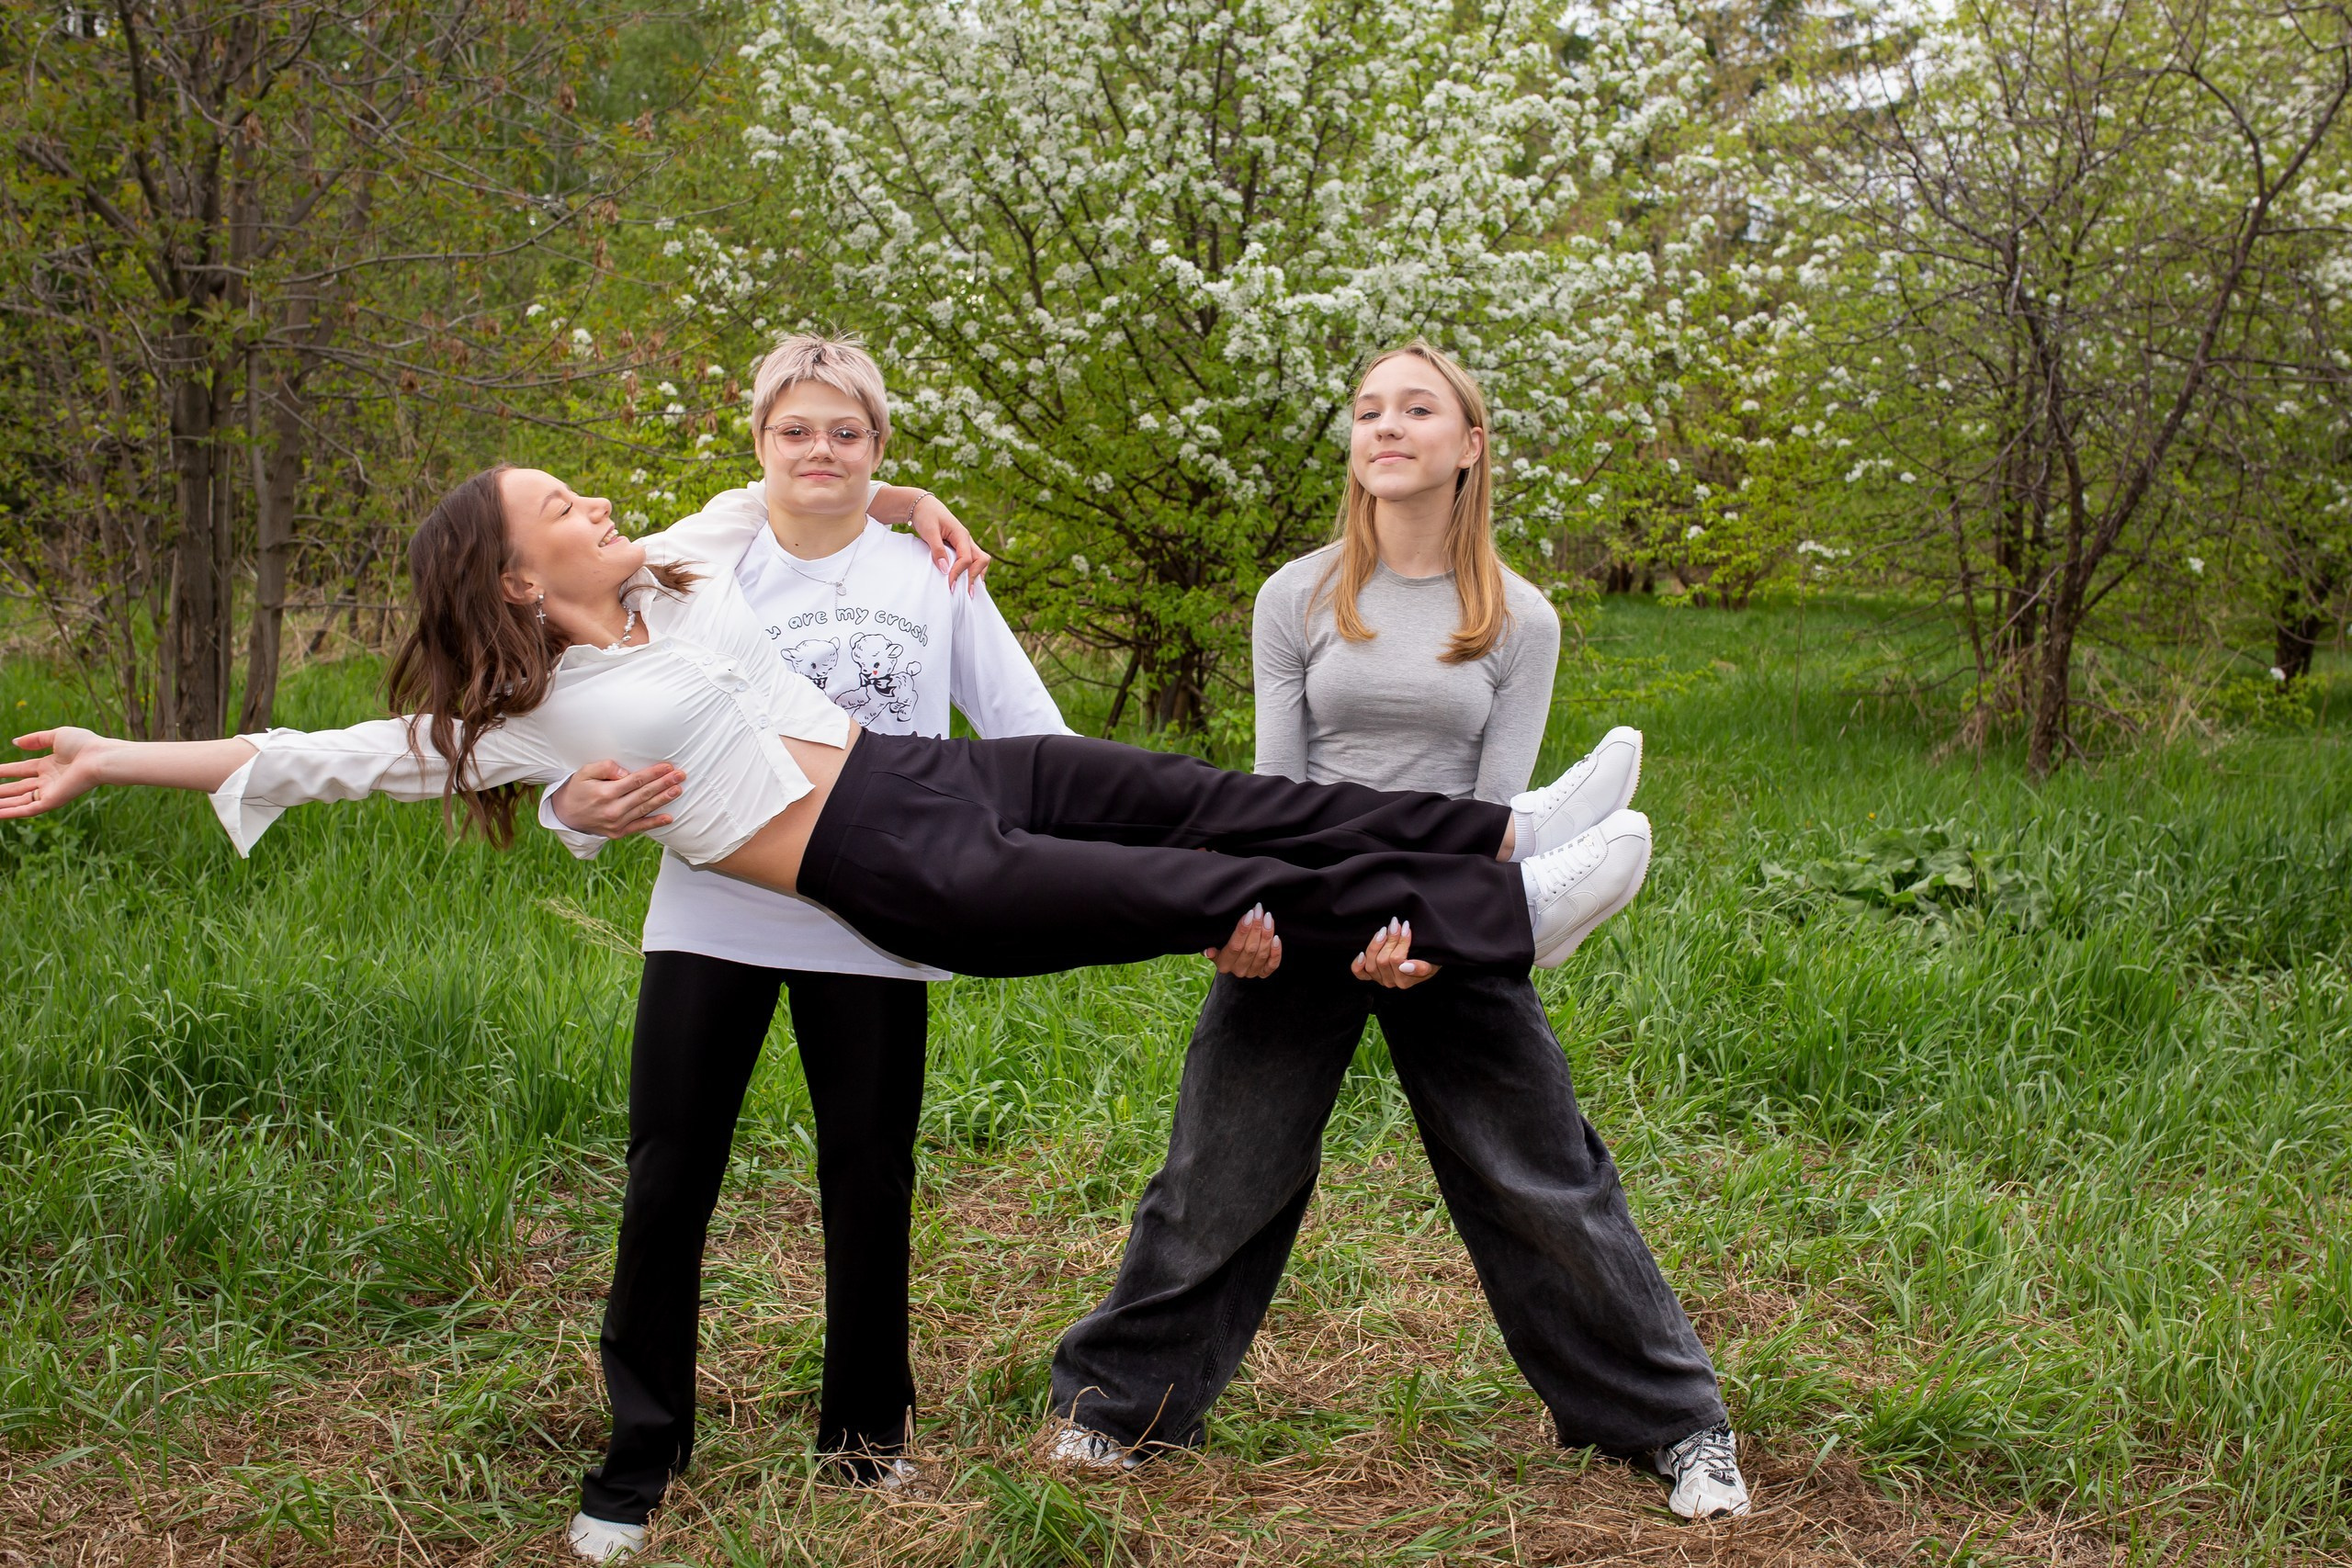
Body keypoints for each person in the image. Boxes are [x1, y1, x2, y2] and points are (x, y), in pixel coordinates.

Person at [2, 458, 1654, 972]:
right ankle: (1509, 916)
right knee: (1206, 897)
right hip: (884, 857)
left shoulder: (679, 567)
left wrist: (915, 491)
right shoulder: (518, 717)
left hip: (931, 765)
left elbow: (807, 463)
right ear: (512, 579)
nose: (589, 500)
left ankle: (1503, 828)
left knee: (1219, 802)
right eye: (555, 506)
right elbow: (306, 755)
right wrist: (105, 755)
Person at [1046, 341, 1751, 1521]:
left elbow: (1470, 812)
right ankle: (1116, 1407)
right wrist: (1251, 921)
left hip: (1443, 917)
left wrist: (1420, 924)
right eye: (1368, 410)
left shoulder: (1519, 618)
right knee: (1217, 1175)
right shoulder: (1299, 595)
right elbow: (1272, 797)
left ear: (1469, 445)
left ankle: (1680, 1428)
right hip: (1302, 915)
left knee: (1544, 1182)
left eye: (1415, 409)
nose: (1385, 428)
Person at [528, 336, 1078, 1557]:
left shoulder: (933, 569)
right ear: (759, 441)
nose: (820, 452)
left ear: (880, 445)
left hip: (877, 917)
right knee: (668, 1176)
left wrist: (1058, 859)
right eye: (797, 431)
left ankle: (866, 1434)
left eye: (848, 433)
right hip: (714, 907)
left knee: (868, 1179)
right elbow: (568, 712)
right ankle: (642, 1445)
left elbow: (1028, 730)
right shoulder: (691, 558)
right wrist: (572, 812)